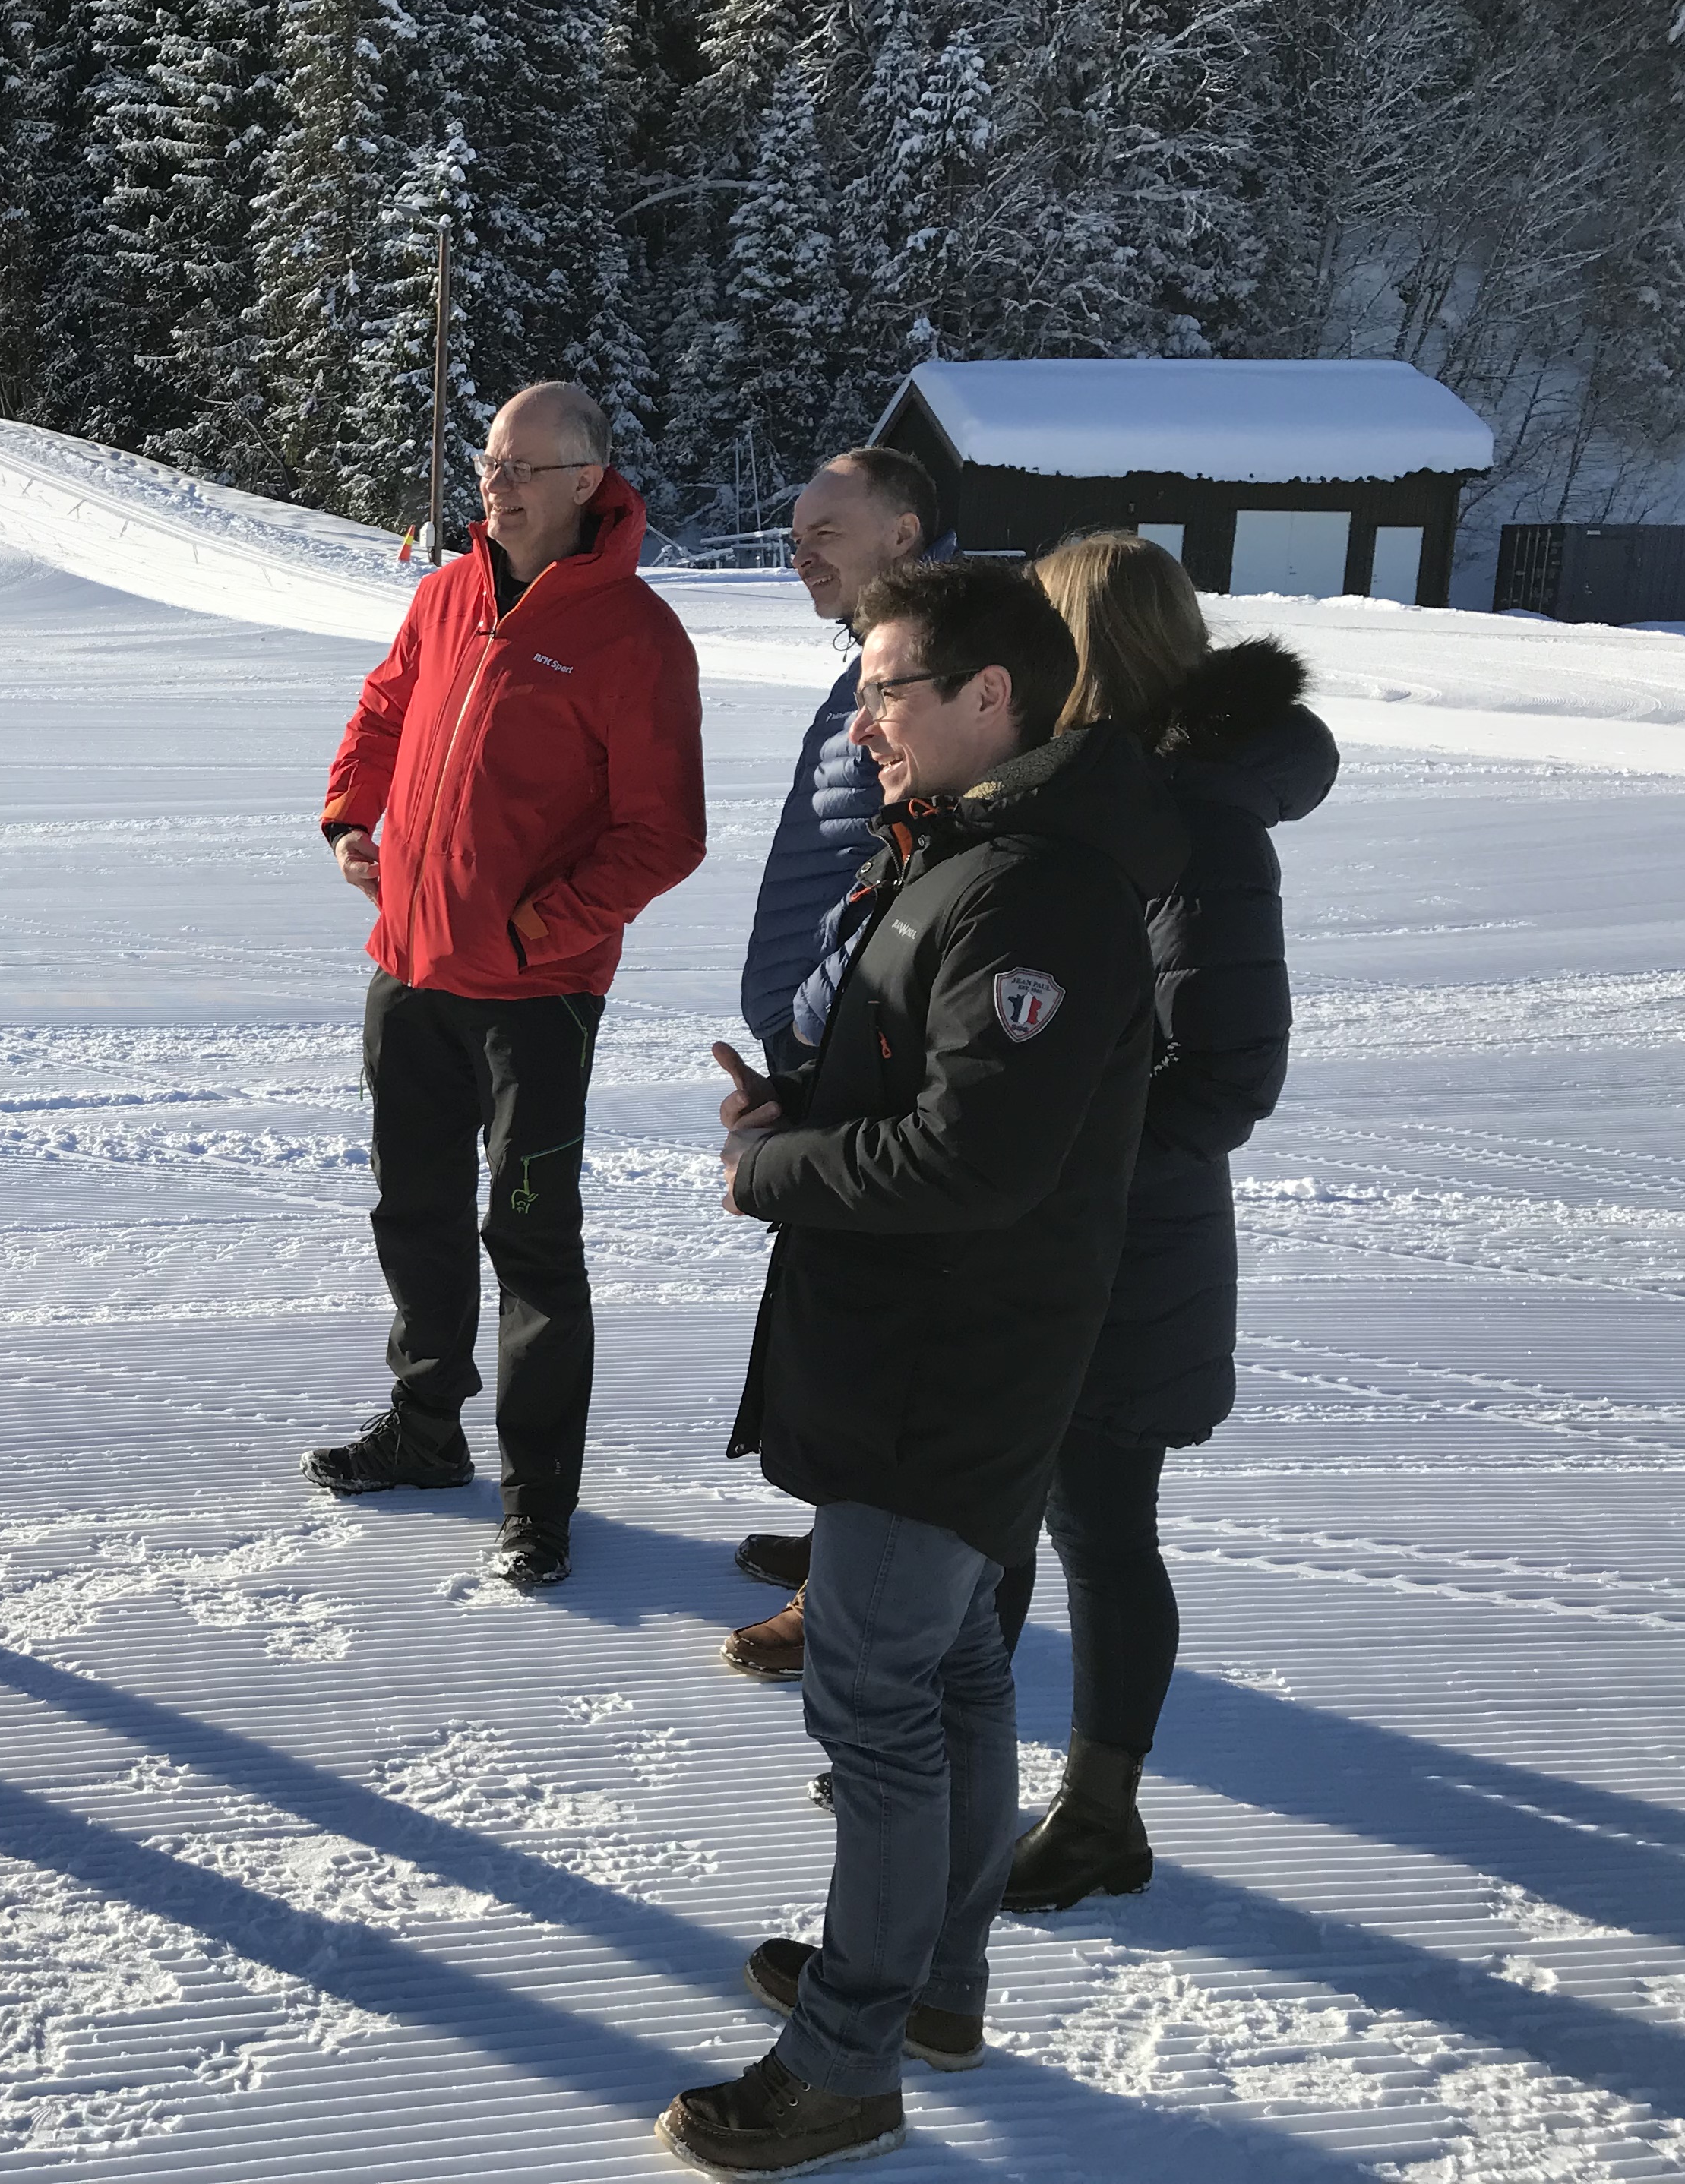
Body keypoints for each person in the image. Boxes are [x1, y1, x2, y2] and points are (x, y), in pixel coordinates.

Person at [657, 560, 1182, 2176]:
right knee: (949, 1682)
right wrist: (798, 1107)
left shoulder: (1035, 890)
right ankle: (929, 1988)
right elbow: (930, 1083)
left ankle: (844, 2065)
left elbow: (976, 1161)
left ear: (990, 701)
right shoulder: (980, 853)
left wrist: (773, 1171)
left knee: (875, 1705)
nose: (863, 717)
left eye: (887, 688)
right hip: (940, 1350)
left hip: (950, 1365)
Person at [305, 381, 709, 1588]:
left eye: (526, 467)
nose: (499, 484)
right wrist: (348, 821)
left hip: (538, 1000)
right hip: (413, 970)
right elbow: (381, 712)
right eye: (490, 462)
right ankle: (425, 1430)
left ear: (590, 481)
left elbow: (663, 833)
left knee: (532, 1244)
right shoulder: (445, 597)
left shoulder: (636, 636)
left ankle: (538, 1496)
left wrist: (544, 933)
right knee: (412, 1213)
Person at [994, 531, 1337, 1912]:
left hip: (1130, 1251)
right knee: (1002, 1513)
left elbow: (1229, 1075)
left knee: (1099, 1526)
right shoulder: (1086, 799)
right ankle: (957, 1764)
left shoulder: (1196, 825)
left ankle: (1099, 1812)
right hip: (1040, 1235)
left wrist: (1077, 1162)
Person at [724, 447, 941, 1653]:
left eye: (827, 532)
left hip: (858, 1041)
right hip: (818, 1032)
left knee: (860, 1319)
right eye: (795, 531)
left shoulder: (932, 673)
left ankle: (855, 1589)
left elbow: (901, 866)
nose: (798, 550)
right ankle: (840, 1536)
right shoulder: (877, 653)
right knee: (821, 1303)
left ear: (905, 533)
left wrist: (818, 1016)